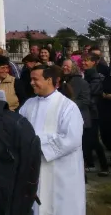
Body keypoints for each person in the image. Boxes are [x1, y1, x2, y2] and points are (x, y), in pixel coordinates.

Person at [19, 65, 86, 215]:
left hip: (60, 169)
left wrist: (36, 144)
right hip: (34, 168)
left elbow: (71, 139)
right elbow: (19, 131)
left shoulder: (68, 107)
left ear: (49, 80)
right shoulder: (28, 104)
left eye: (35, 79)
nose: (31, 82)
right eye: (31, 79)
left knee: (60, 205)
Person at [82, 53, 109, 176]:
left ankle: (102, 166)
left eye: (86, 60)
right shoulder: (86, 75)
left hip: (94, 112)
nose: (83, 63)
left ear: (94, 62)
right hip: (90, 111)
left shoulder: (96, 76)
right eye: (83, 60)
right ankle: (95, 164)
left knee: (93, 139)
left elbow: (92, 94)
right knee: (92, 140)